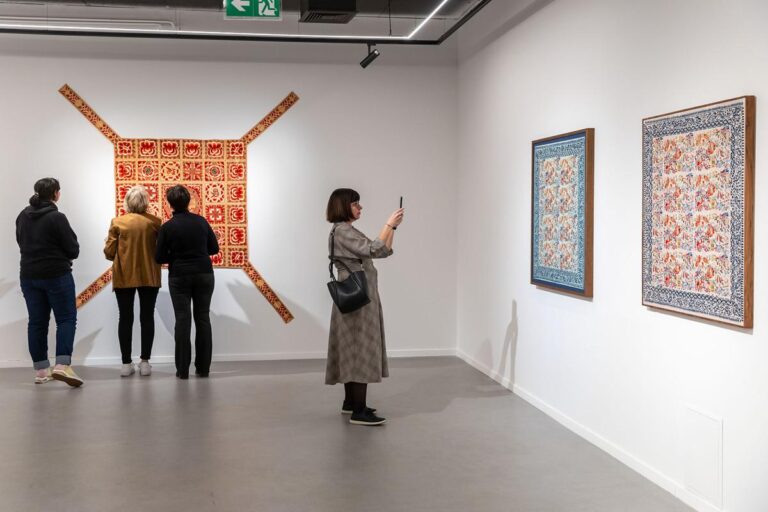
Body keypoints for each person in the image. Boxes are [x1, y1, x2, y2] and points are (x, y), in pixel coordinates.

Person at [325, 188, 404, 426]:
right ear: (343, 206)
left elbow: (382, 251)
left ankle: (351, 403)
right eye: (355, 204)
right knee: (361, 349)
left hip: (357, 297)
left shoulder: (345, 230)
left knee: (353, 348)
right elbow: (373, 249)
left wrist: (392, 229)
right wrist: (388, 225)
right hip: (359, 300)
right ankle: (359, 411)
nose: (360, 207)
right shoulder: (343, 230)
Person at [16, 178, 83, 387]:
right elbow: (73, 249)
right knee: (66, 319)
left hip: (28, 275)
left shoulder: (22, 216)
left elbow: (20, 242)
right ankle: (62, 365)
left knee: (36, 322)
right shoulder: (57, 217)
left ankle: (41, 371)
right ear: (55, 193)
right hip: (56, 275)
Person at [155, 185, 218, 379]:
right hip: (204, 273)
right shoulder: (201, 222)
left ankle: (182, 370)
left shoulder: (167, 227)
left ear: (170, 204)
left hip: (179, 275)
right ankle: (203, 368)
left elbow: (159, 257)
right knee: (203, 318)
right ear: (189, 201)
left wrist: (175, 255)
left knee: (182, 320)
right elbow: (214, 248)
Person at [104, 185, 162, 377]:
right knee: (147, 317)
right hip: (149, 275)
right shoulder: (155, 222)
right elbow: (161, 250)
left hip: (124, 275)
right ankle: (145, 362)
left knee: (125, 318)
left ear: (127, 202)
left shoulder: (117, 222)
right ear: (146, 202)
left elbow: (109, 253)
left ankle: (126, 363)